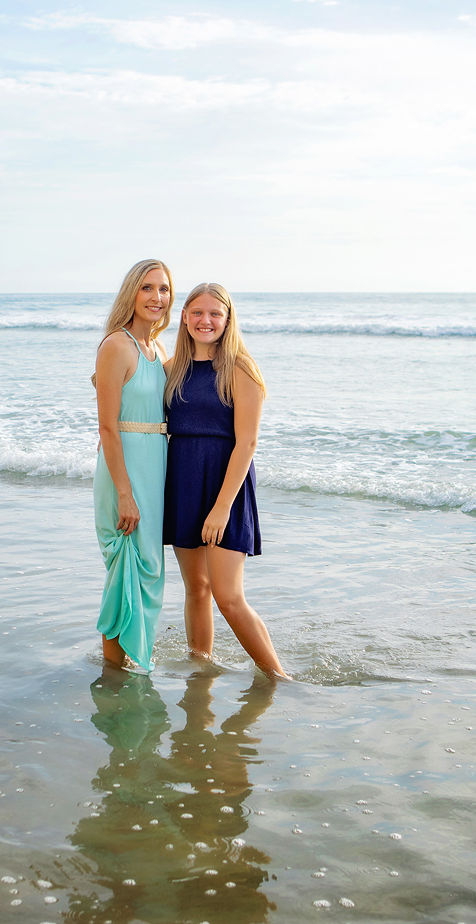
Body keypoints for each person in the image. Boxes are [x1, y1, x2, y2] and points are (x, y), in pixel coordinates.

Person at [163, 284, 289, 680]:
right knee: (196, 588)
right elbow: (123, 386)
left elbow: (247, 443)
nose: (206, 321)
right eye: (197, 312)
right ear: (184, 317)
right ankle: (201, 670)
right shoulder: (171, 369)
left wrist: (221, 508)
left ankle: (278, 677)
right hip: (183, 482)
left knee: (228, 597)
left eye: (215, 313)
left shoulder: (240, 368)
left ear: (228, 318)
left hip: (225, 487)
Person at [93, 260, 174, 671]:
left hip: (153, 465)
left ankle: (128, 665)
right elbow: (107, 427)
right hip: (123, 467)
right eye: (147, 288)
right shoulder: (116, 346)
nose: (157, 297)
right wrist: (124, 492)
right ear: (132, 293)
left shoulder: (158, 349)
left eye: (163, 289)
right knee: (126, 568)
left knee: (148, 570)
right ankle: (112, 675)